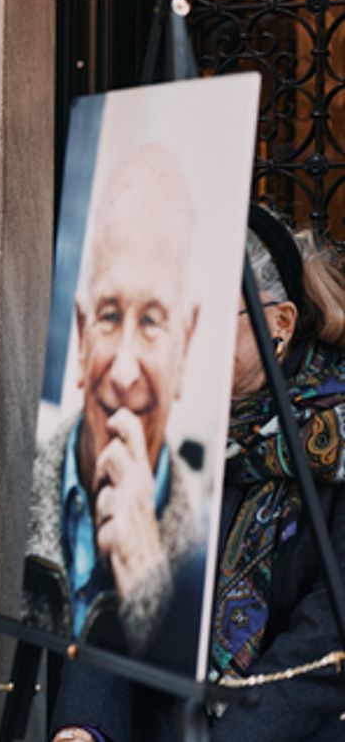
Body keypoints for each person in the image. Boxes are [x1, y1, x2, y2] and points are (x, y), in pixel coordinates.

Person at [51, 206, 345, 741]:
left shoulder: (336, 439)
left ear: (279, 324)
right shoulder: (156, 427)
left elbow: (325, 640)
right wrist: (83, 727)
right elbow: (115, 596)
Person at [23, 145, 207, 667]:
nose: (124, 373)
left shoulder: (200, 548)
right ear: (80, 334)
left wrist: (148, 586)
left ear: (185, 346)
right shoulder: (35, 488)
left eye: (152, 321)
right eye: (109, 315)